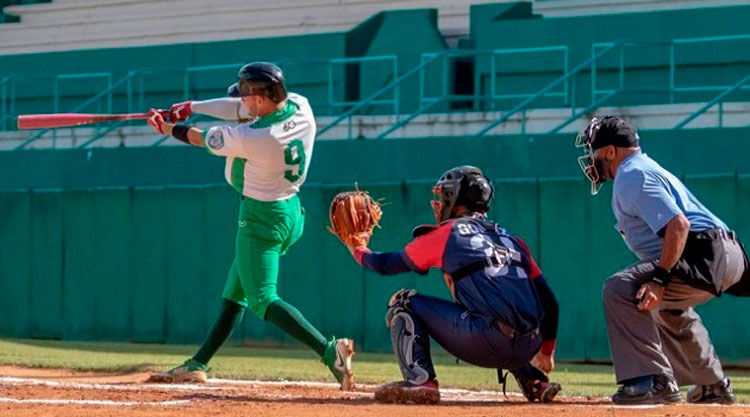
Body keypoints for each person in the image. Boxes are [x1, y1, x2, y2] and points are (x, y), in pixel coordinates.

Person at [144, 62, 355, 390]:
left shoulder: (257, 136)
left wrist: (167, 128)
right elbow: (238, 109)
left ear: (259, 99)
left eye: (247, 96)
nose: (242, 102)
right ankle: (198, 363)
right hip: (290, 211)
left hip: (260, 219)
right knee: (235, 294)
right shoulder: (300, 106)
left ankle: (330, 352)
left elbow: (202, 137)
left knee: (262, 298)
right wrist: (192, 107)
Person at [338, 166, 561, 404]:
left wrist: (358, 249)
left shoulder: (449, 232)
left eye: (443, 195)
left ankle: (420, 380)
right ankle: (535, 381)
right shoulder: (512, 240)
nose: (438, 202)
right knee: (500, 309)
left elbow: (386, 264)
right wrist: (546, 352)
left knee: (404, 303)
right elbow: (550, 301)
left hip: (488, 342)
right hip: (530, 344)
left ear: (455, 198)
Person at [575, 115, 750, 405]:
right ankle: (712, 386)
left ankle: (651, 381)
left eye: (594, 151)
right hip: (728, 253)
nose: (591, 159)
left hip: (705, 251)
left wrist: (659, 278)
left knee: (619, 290)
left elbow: (678, 225)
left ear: (610, 152)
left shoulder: (631, 174)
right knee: (666, 306)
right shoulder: (645, 167)